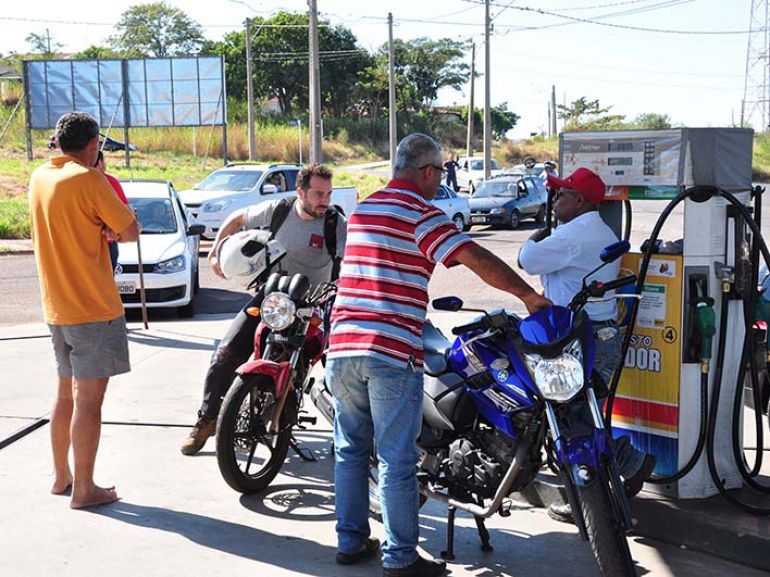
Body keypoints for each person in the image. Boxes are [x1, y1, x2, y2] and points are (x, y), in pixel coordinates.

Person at [326, 133, 551, 577]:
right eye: (440, 172)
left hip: (343, 344)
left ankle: (350, 542)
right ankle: (401, 559)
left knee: (350, 449)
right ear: (427, 171)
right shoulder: (421, 213)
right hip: (389, 348)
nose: (441, 180)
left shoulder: (366, 208)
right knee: (396, 458)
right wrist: (528, 295)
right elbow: (472, 257)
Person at [518, 167, 656, 523]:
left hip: (578, 339)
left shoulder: (572, 235)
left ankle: (593, 498)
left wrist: (538, 233)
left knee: (571, 421)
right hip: (603, 334)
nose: (554, 199)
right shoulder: (598, 229)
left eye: (561, 194)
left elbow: (526, 260)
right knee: (583, 417)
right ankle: (624, 467)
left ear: (579, 201)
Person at [180, 163, 347, 455]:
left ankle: (349, 436)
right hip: (275, 296)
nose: (325, 200)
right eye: (319, 194)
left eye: (329, 194)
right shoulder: (279, 210)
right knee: (226, 352)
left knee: (341, 366)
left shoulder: (336, 224)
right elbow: (236, 218)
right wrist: (217, 252)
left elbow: (355, 259)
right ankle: (207, 419)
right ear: (301, 192)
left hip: (316, 302)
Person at [28, 111, 139, 509]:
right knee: (89, 402)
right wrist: (111, 228)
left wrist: (101, 226)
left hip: (56, 308)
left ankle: (62, 478)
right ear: (94, 146)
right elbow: (129, 230)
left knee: (65, 395)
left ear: (58, 142)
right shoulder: (89, 179)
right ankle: (85, 489)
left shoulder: (40, 177)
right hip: (93, 307)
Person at [93, 150, 129, 272]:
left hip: (104, 243)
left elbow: (125, 212)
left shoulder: (111, 182)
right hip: (98, 243)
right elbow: (126, 214)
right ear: (100, 163)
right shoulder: (109, 182)